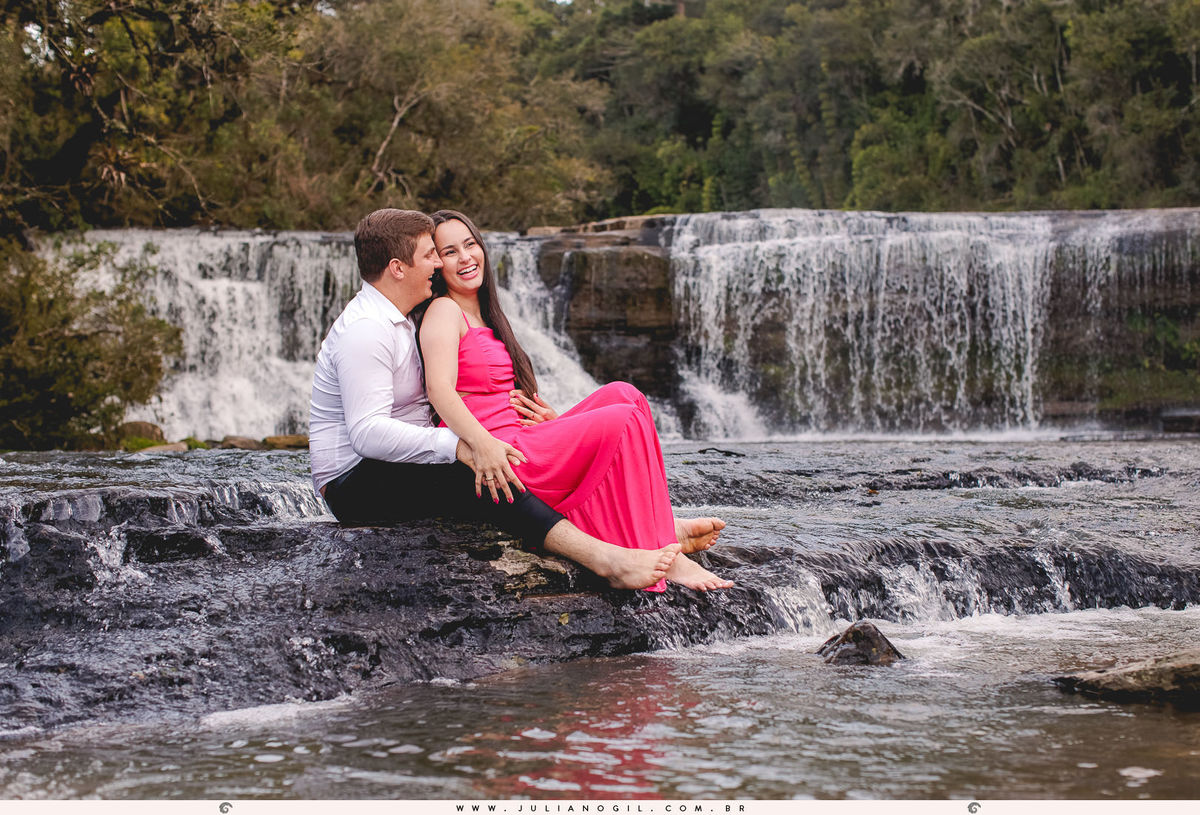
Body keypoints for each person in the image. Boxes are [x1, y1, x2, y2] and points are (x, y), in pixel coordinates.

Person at [309, 207, 695, 591]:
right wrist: (464, 445)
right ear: (397, 268)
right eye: (434, 254)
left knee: (624, 396)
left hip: (393, 460)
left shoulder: (406, 316)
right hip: (353, 480)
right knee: (475, 472)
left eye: (462, 247)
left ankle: (652, 522)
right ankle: (607, 558)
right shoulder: (367, 330)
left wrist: (547, 424)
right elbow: (367, 432)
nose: (438, 264)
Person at [418, 209, 733, 592]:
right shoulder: (443, 311)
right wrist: (483, 446)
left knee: (626, 395)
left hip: (522, 438)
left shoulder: (485, 315)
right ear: (436, 264)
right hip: (506, 456)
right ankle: (666, 550)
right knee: (622, 421)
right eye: (450, 252)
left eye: (470, 244)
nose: (465, 257)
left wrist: (556, 422)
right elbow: (439, 390)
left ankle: (659, 525)